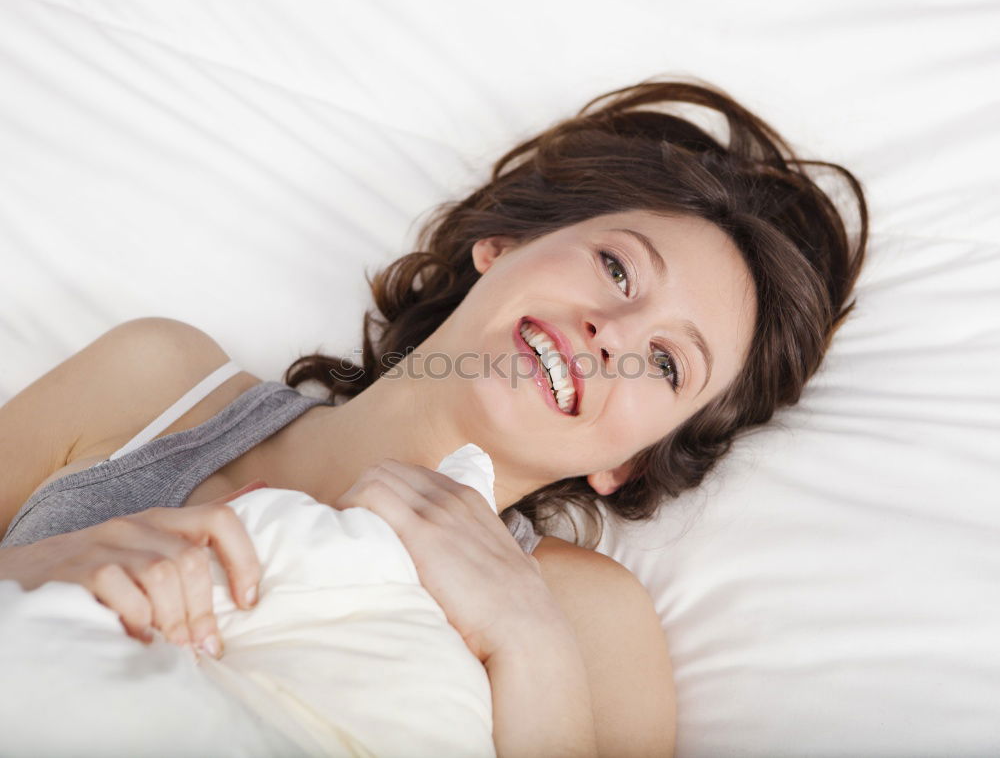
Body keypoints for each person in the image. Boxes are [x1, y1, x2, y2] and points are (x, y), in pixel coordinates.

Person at [0, 77, 867, 757]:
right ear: (504, 245)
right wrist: (37, 566)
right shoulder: (154, 378)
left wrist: (527, 643)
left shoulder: (589, 618)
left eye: (669, 363)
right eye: (617, 266)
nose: (615, 334)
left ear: (632, 462)